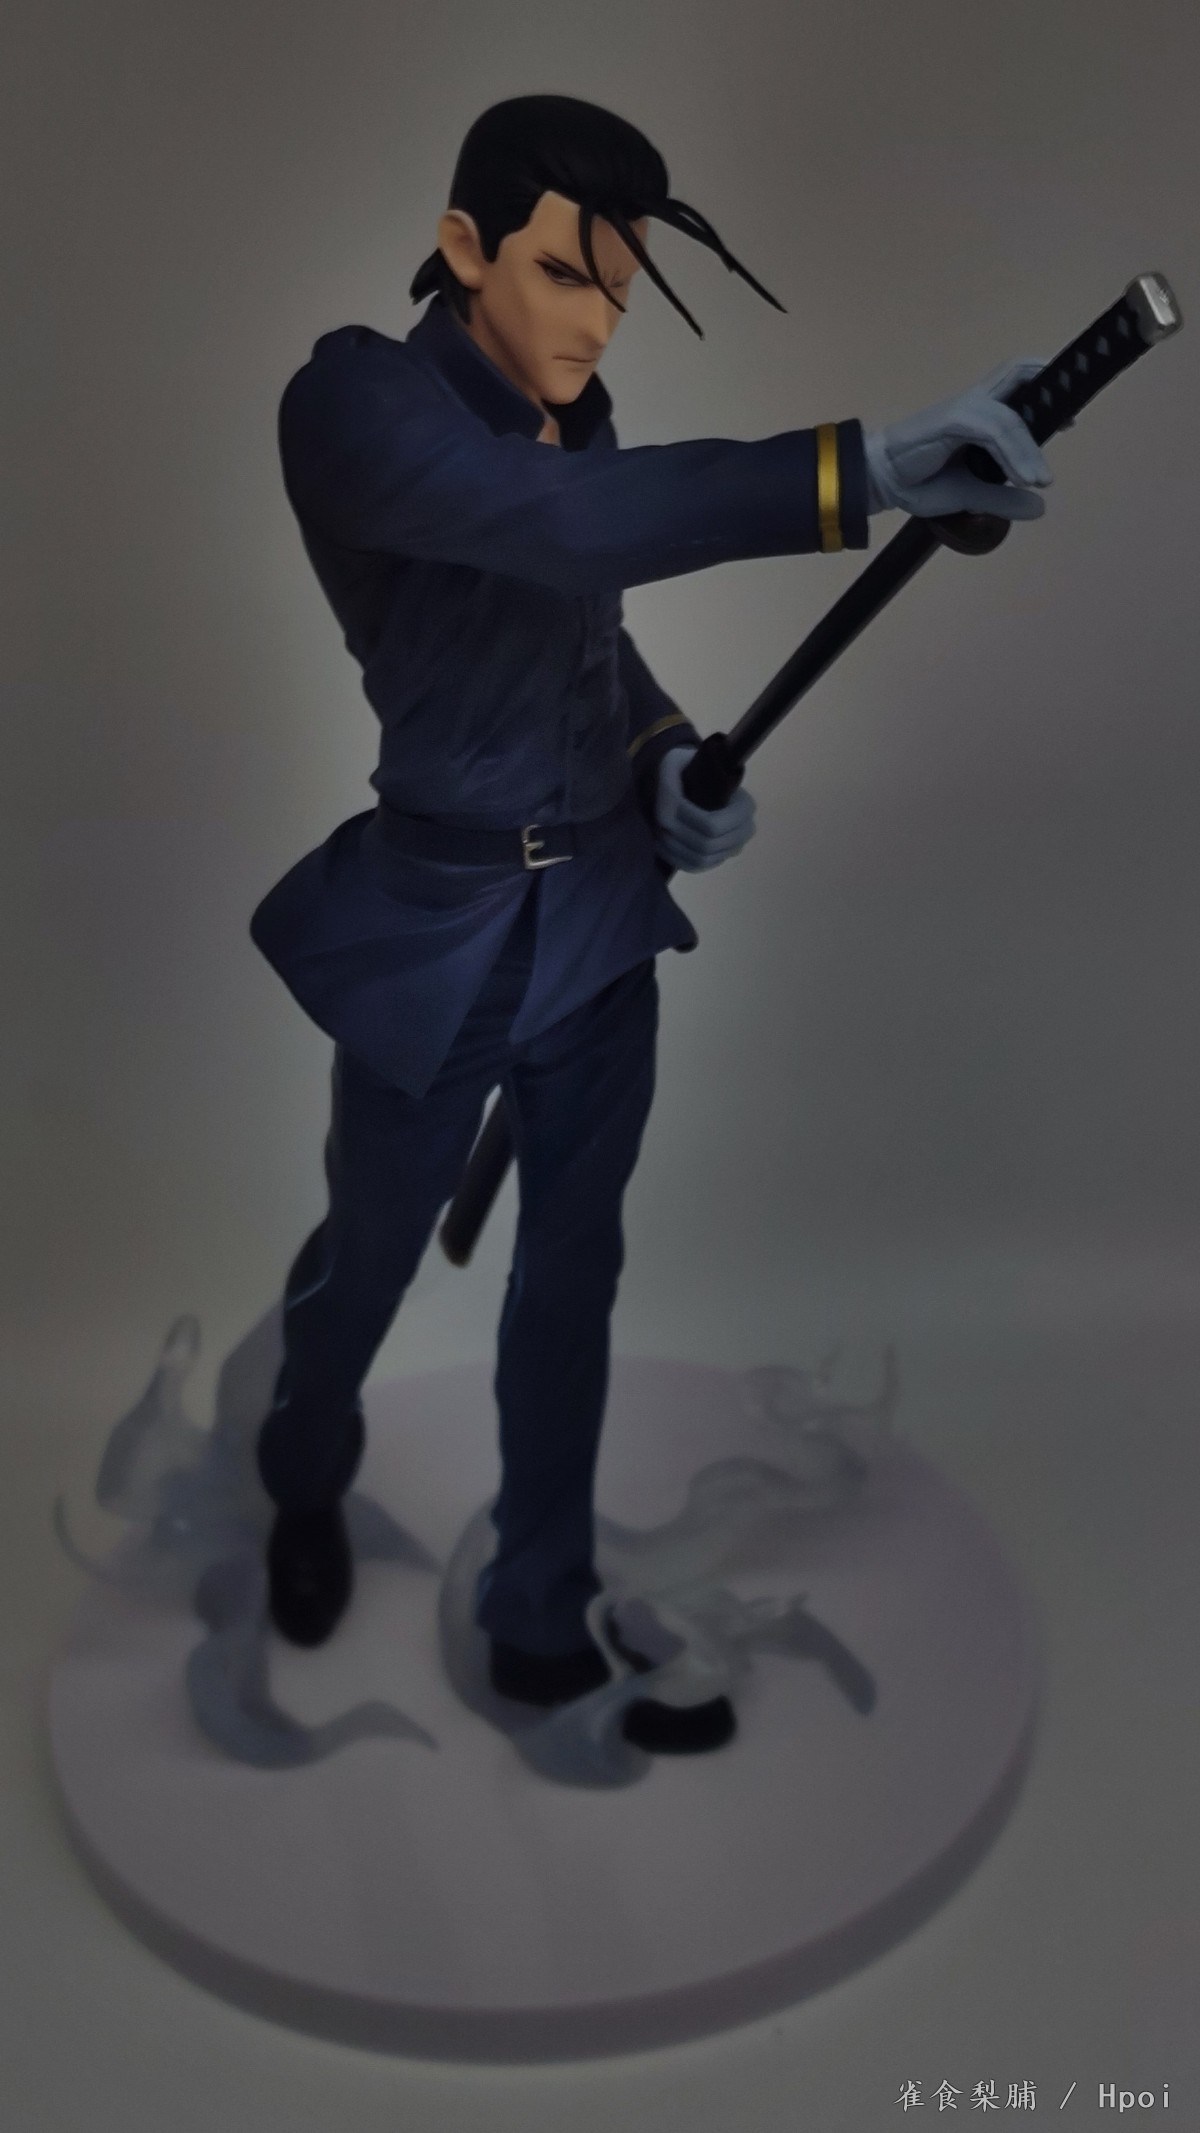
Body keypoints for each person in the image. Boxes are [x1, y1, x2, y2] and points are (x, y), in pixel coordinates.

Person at [249, 94, 1053, 1755]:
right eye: (565, 275)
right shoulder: (355, 401)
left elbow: (586, 640)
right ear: (465, 246)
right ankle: (301, 1470)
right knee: (367, 1257)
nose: (594, 324)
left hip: (602, 924)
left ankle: (540, 1610)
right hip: (440, 927)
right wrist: (859, 468)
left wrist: (663, 759)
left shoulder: (580, 419)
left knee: (572, 1278)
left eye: (617, 291)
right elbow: (549, 529)